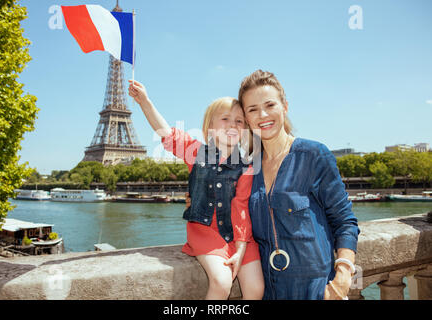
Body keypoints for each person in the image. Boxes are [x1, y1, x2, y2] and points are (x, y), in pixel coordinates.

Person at [128, 80, 264, 300]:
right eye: (226, 118)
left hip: (241, 237)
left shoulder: (247, 165)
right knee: (221, 282)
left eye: (239, 121)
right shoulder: (195, 152)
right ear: (209, 125)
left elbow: (241, 209)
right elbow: (167, 133)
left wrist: (240, 249)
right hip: (206, 232)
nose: (233, 124)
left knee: (256, 288)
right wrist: (145, 101)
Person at [237, 70, 360, 300]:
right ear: (246, 118)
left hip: (315, 290)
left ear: (285, 106)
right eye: (252, 109)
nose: (262, 114)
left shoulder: (314, 155)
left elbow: (345, 221)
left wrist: (343, 276)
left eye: (270, 105)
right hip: (268, 292)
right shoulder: (246, 170)